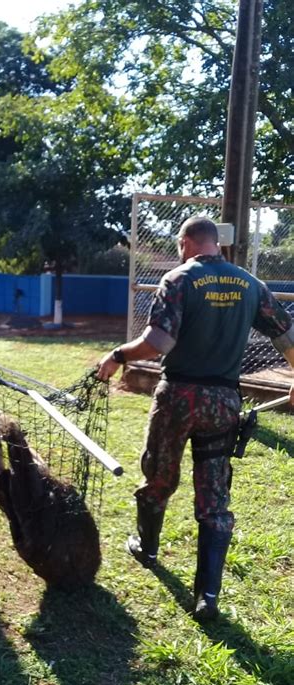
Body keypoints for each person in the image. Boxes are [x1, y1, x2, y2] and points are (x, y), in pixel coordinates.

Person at [98, 216, 294, 622]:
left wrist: (117, 356)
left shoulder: (179, 279)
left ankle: (148, 548)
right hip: (223, 401)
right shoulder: (250, 284)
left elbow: (159, 342)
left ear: (187, 242)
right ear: (216, 244)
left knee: (159, 475)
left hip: (178, 398)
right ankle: (207, 595)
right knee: (214, 496)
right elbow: (285, 336)